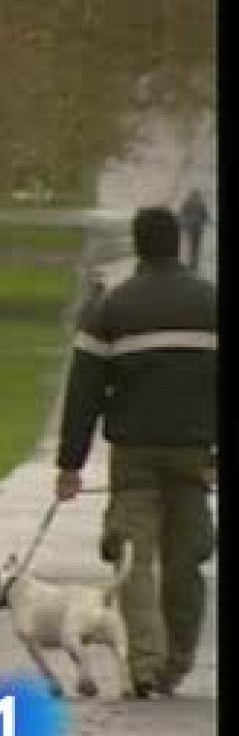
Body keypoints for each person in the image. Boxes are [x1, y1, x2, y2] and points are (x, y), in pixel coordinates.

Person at [54, 205, 217, 697]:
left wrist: (70, 464)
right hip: (194, 452)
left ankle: (146, 660)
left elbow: (83, 390)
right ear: (179, 241)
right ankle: (178, 661)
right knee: (185, 558)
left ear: (139, 244)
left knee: (134, 557)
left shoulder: (113, 309)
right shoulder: (211, 303)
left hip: (134, 454)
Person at [177, 188, 210, 272]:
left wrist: (181, 223)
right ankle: (194, 262)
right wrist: (204, 221)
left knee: (191, 244)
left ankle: (192, 262)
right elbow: (205, 215)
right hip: (197, 228)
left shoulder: (187, 202)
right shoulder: (201, 203)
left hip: (191, 227)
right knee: (195, 246)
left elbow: (182, 213)